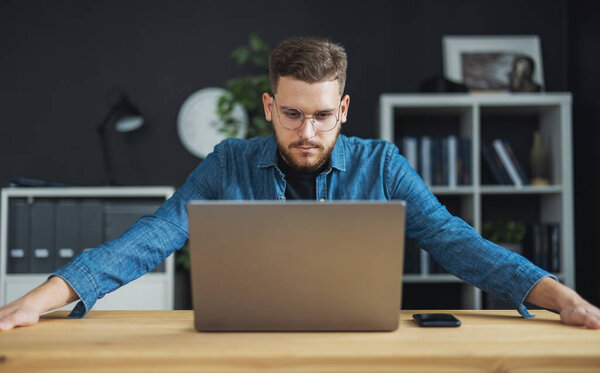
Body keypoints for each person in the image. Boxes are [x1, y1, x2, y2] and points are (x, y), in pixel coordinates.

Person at [1, 36, 598, 331]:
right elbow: (152, 236)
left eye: (320, 115)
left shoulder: (383, 164)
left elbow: (456, 241)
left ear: (343, 109)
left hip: (357, 349)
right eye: (291, 114)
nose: (305, 131)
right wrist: (40, 299)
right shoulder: (227, 163)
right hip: (243, 347)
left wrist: (563, 299)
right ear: (268, 105)